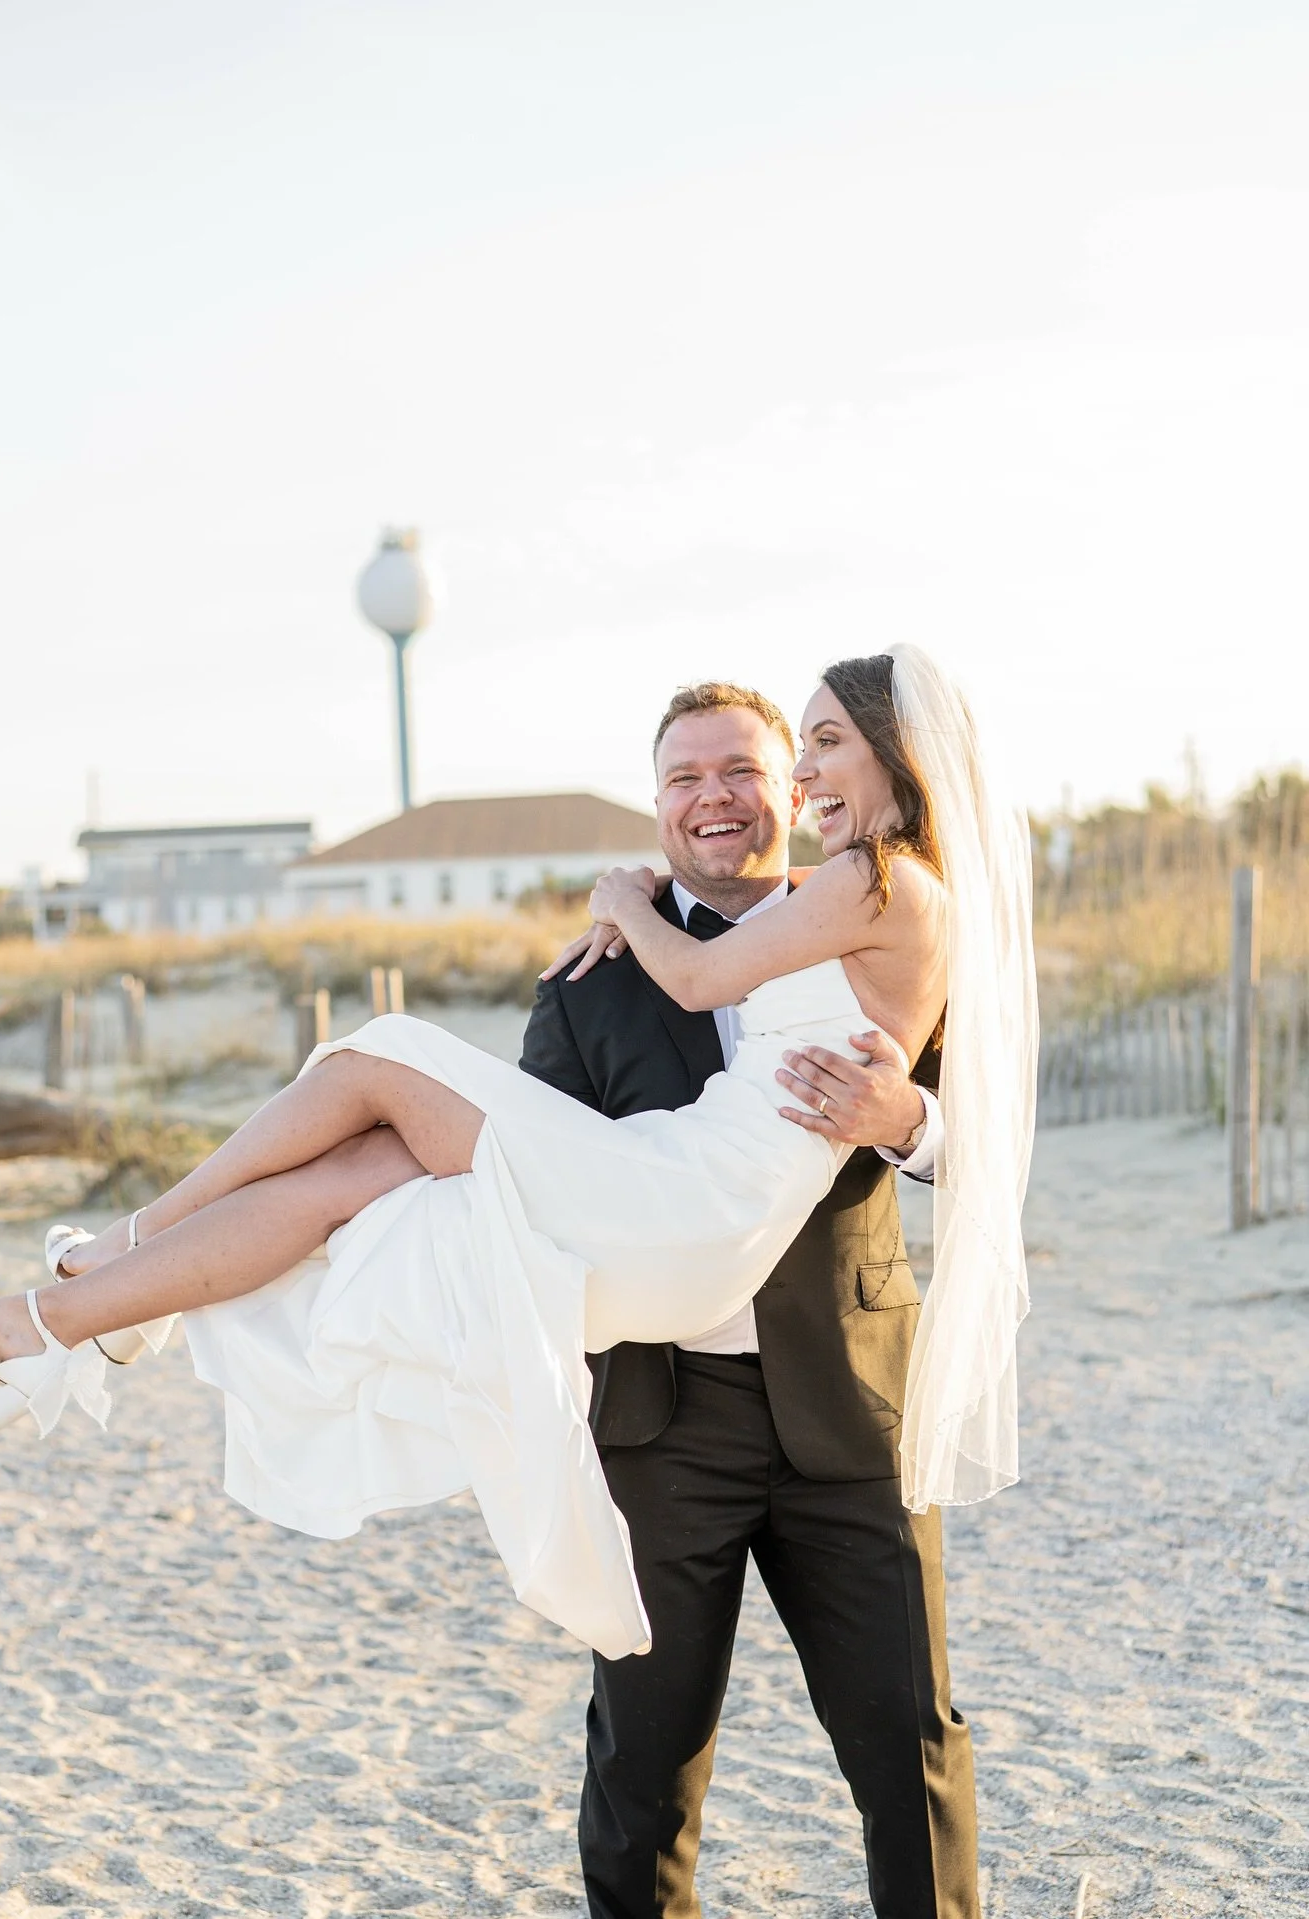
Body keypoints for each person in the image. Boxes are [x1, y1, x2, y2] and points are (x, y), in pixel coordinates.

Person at [0, 648, 1035, 1756]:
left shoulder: (871, 885)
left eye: (807, 750)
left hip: (779, 1320)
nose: (758, 785)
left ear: (886, 755)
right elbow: (588, 1070)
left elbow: (941, 1108)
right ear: (659, 795)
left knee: (370, 1060)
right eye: (686, 775)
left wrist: (630, 904)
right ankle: (61, 1316)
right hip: (666, 1363)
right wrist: (628, 926)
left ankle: (106, 1263)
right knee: (362, 1160)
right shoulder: (624, 975)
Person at [519, 674, 977, 1919]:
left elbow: (995, 1140)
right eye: (683, 777)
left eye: (740, 771)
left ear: (794, 788)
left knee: (909, 1746)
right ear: (658, 804)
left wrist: (910, 1120)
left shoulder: (883, 917)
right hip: (664, 1424)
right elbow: (537, 1193)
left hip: (853, 1408)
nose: (713, 798)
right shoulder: (585, 982)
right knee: (642, 1764)